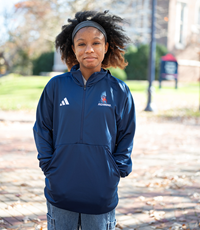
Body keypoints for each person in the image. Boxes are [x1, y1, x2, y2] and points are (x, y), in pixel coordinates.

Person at [33, 10, 136, 230]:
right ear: (73, 49)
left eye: (96, 43)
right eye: (81, 44)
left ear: (106, 47)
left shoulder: (119, 90)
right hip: (60, 189)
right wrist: (48, 164)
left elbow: (127, 133)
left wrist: (116, 169)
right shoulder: (56, 86)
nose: (89, 49)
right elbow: (42, 127)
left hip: (101, 192)